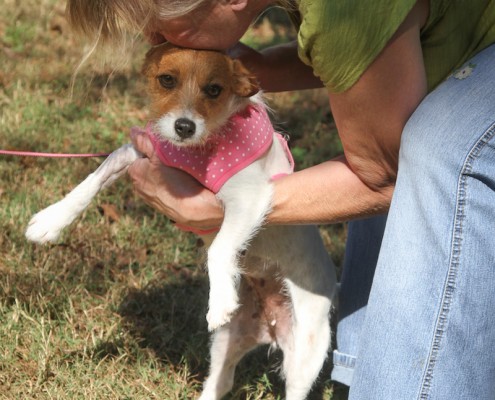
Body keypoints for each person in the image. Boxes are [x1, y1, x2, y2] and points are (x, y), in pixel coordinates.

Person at [66, 0, 495, 398]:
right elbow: (365, 55)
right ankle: (364, 366)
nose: (153, 39)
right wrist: (261, 66)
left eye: (157, 22)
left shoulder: (343, 7)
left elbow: (383, 175)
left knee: (432, 144)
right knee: (379, 124)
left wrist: (221, 209)